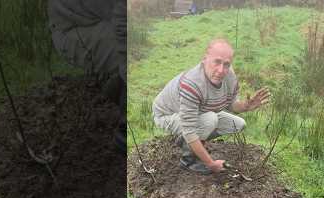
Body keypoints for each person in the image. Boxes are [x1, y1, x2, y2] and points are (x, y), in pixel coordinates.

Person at [152, 38, 271, 174]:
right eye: (217, 62)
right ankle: (188, 160)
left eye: (226, 64)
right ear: (205, 59)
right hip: (166, 115)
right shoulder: (192, 84)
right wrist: (211, 163)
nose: (221, 70)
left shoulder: (229, 75)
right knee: (210, 120)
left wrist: (245, 106)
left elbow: (231, 104)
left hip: (201, 112)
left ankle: (186, 142)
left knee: (238, 124)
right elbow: (190, 131)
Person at [47, 0, 127, 153]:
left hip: (107, 16)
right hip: (75, 27)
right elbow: (124, 24)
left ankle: (115, 88)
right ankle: (126, 130)